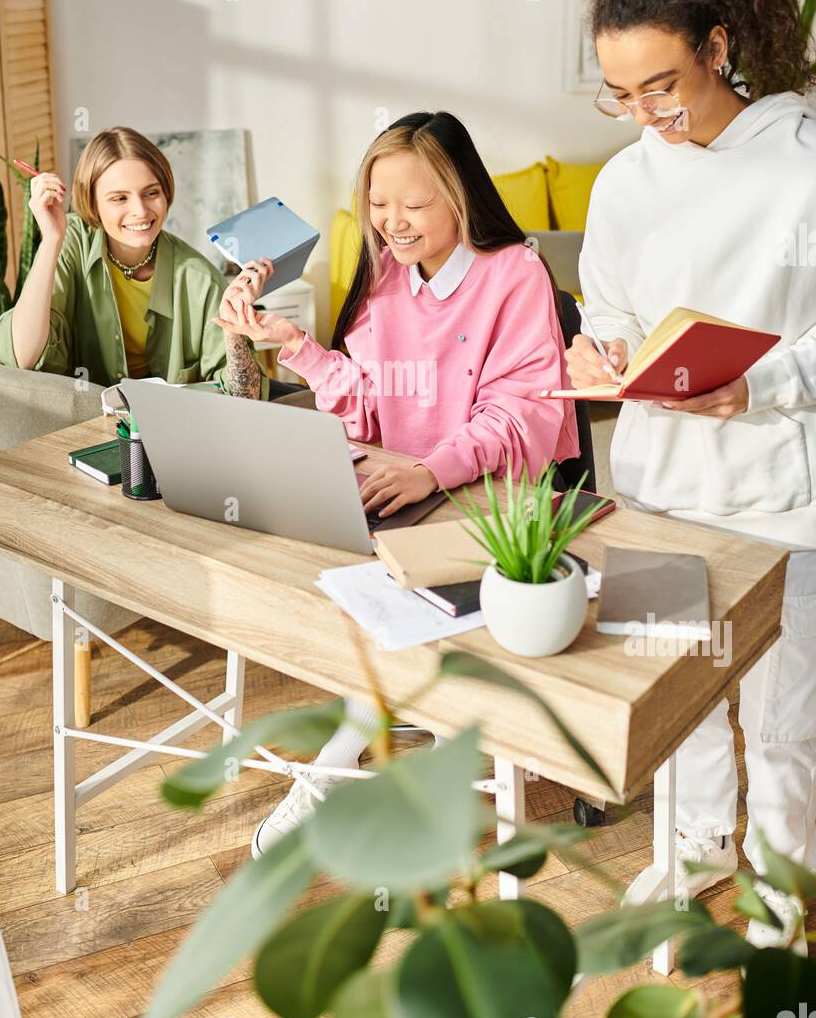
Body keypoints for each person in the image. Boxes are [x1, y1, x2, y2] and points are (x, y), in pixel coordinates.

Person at [215, 109, 580, 856]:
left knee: (377, 599)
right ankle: (350, 754)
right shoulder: (385, 273)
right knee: (288, 563)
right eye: (379, 206)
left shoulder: (515, 274)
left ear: (461, 197)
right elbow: (367, 399)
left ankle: (330, 774)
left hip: (489, 501)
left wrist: (426, 470)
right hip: (391, 490)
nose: (392, 224)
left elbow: (521, 419)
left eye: (413, 205)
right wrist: (296, 347)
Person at [566, 0, 816, 952]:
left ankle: (778, 891)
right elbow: (609, 313)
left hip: (778, 495)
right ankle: (692, 847)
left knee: (780, 720)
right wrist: (596, 347)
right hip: (661, 486)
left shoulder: (801, 161)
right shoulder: (623, 184)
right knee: (672, 700)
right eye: (617, 93)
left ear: (718, 43)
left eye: (658, 83)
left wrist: (753, 383)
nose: (642, 114)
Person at [0, 126, 264, 397]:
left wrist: (234, 331)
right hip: (83, 431)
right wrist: (51, 240)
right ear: (93, 203)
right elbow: (22, 357)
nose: (140, 211)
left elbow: (246, 396)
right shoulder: (71, 242)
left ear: (166, 193)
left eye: (151, 193)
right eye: (119, 198)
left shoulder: (200, 280)